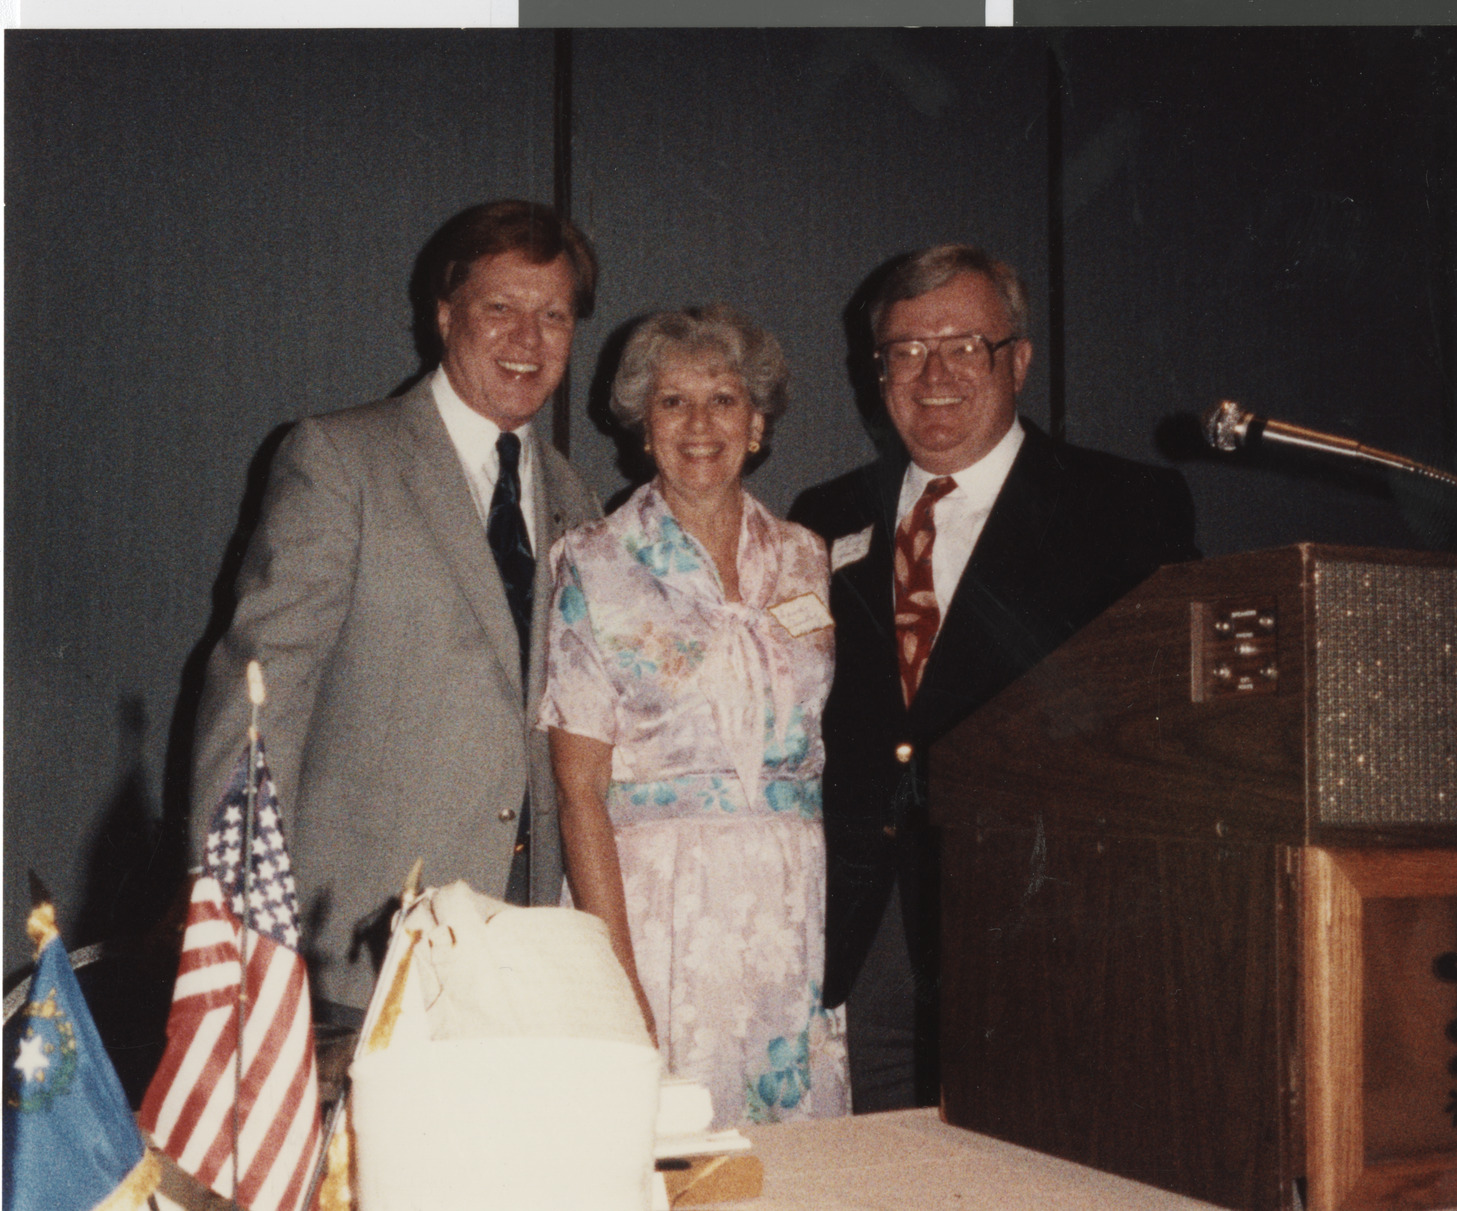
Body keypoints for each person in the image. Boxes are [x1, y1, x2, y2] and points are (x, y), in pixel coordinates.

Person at [789, 244, 1199, 1112]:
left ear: (1017, 359)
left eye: (964, 345)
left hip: (1038, 927)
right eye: (904, 350)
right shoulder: (824, 518)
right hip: (865, 932)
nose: (932, 373)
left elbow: (1170, 732)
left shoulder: (1122, 507)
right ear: (877, 373)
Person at [190, 201, 602, 1018]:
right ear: (443, 313)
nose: (528, 339)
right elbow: (257, 696)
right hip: (356, 944)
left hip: (524, 948)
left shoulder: (572, 495)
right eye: (500, 309)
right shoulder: (340, 459)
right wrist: (237, 919)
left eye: (552, 315)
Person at [539, 305, 850, 1127]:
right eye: (673, 402)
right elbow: (579, 793)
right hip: (658, 908)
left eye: (723, 398)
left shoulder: (806, 556)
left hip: (793, 904)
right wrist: (615, 979)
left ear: (757, 423)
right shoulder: (590, 563)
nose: (699, 423)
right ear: (644, 426)